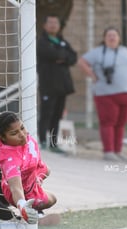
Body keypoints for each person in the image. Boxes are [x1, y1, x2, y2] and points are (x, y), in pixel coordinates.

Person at [0, 111, 59, 225]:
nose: (22, 134)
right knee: (47, 199)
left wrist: (38, 177)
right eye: (14, 133)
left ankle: (35, 213)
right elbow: (16, 188)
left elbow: (42, 167)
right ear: (3, 137)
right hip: (17, 191)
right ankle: (28, 213)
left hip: (31, 181)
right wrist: (22, 206)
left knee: (48, 174)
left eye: (22, 128)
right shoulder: (9, 159)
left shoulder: (27, 140)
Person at [78, 27, 127, 161]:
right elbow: (82, 62)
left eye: (114, 35)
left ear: (119, 38)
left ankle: (117, 151)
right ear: (104, 38)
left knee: (121, 123)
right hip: (106, 93)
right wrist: (93, 76)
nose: (112, 37)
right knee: (108, 121)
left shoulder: (126, 51)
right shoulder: (98, 52)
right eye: (109, 35)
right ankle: (108, 151)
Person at [37, 14, 77, 153]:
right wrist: (62, 56)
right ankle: (42, 140)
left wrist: (62, 57)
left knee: (57, 115)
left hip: (62, 86)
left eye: (56, 22)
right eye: (50, 22)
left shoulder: (62, 41)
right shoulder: (42, 42)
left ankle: (53, 143)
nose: (53, 25)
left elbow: (73, 57)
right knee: (46, 113)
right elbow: (54, 54)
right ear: (45, 25)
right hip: (48, 85)